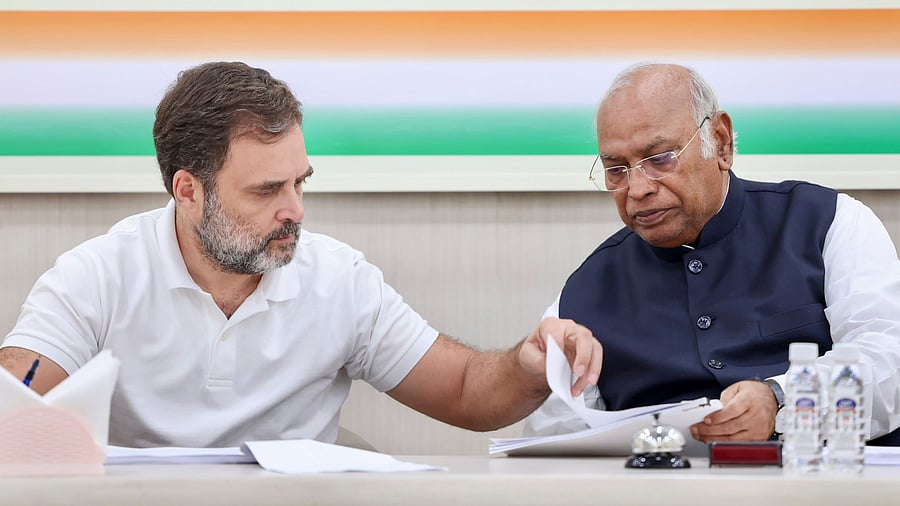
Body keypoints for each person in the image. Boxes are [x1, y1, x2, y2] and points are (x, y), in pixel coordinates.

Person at [0, 61, 603, 448]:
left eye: (300, 182)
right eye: (266, 191)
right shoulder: (96, 276)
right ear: (188, 191)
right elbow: (14, 405)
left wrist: (526, 366)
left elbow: (468, 392)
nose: (295, 211)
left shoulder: (337, 280)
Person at [524, 62, 900, 445]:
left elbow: (888, 360)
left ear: (720, 141)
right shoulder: (583, 294)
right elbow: (553, 440)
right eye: (616, 169)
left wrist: (780, 399)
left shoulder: (828, 223)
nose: (637, 189)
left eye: (660, 158)